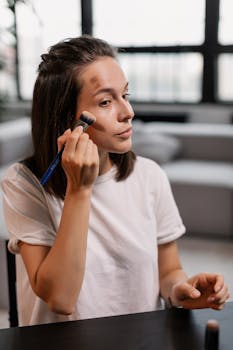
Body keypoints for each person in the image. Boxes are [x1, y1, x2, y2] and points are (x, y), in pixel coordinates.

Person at [1, 35, 229, 326]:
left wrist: (181, 292)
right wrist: (79, 190)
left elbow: (169, 271)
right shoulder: (24, 183)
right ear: (65, 118)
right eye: (106, 101)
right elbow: (61, 298)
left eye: (126, 95)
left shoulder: (149, 176)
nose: (128, 113)